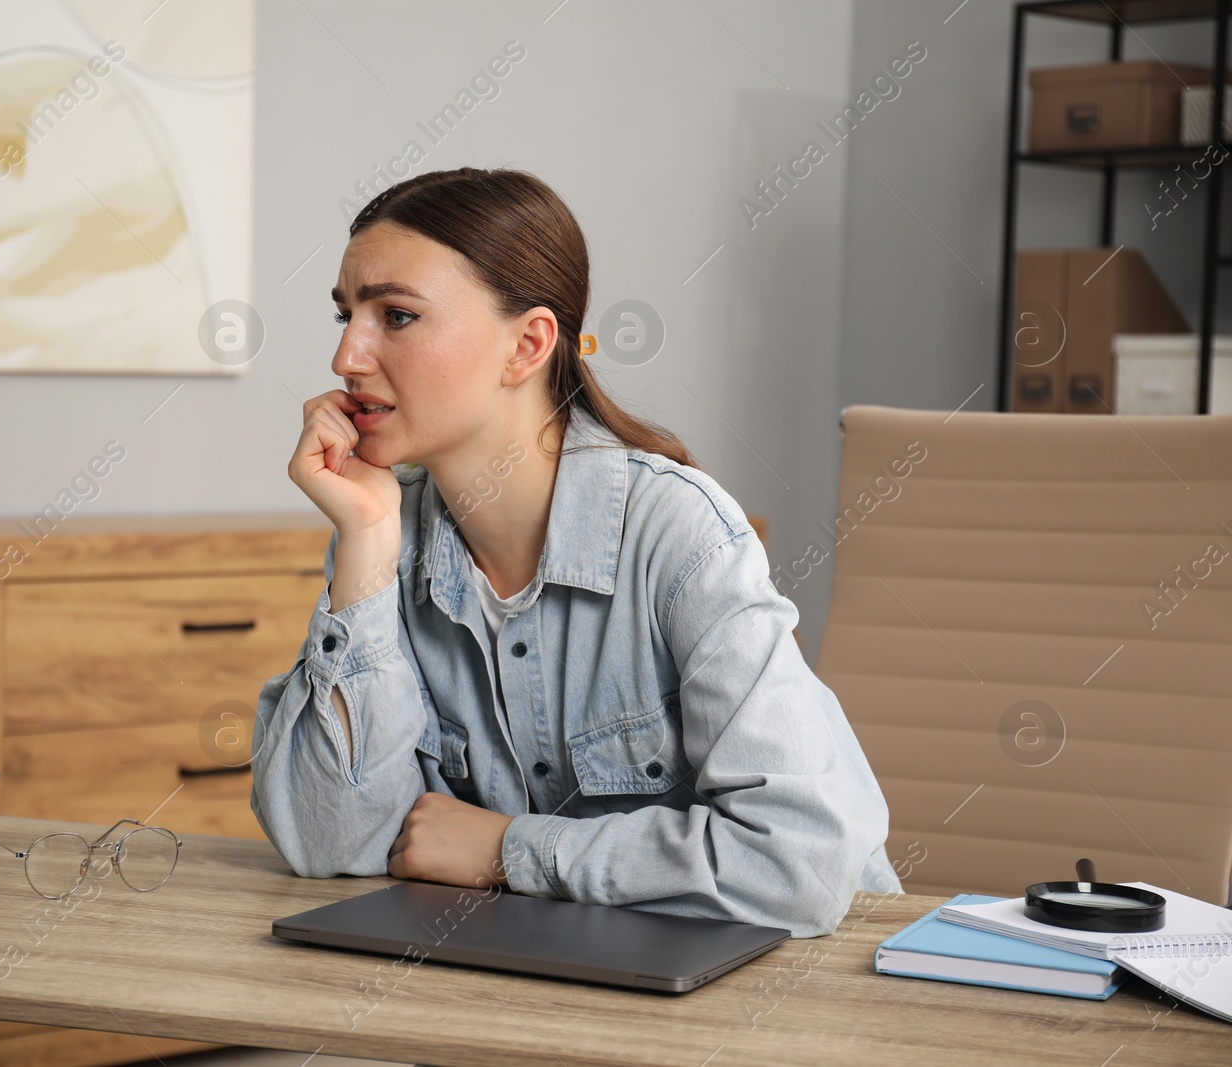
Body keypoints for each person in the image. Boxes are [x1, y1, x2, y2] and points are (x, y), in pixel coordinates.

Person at [251, 166, 901, 938]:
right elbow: (335, 846)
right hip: (559, 988)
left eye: (395, 316)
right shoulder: (389, 538)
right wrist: (363, 545)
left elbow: (797, 863)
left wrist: (509, 851)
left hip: (788, 1000)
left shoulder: (679, 535)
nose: (347, 358)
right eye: (345, 316)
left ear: (527, 343)